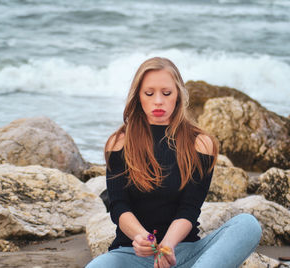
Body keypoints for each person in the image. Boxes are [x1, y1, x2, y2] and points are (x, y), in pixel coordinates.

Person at [86, 57, 262, 268]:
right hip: (132, 256)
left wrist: (167, 248)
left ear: (178, 95)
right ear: (138, 97)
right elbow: (119, 207)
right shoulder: (120, 142)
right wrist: (145, 240)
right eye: (149, 93)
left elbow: (189, 209)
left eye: (166, 93)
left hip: (186, 254)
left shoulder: (200, 143)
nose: (158, 101)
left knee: (247, 225)